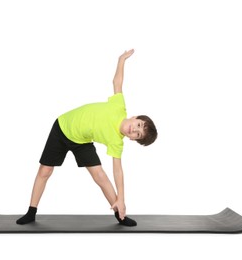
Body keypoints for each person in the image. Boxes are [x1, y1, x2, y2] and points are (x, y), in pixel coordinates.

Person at [15, 49, 157, 227]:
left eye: (137, 134)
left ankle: (119, 214)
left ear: (132, 139)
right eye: (138, 125)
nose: (134, 130)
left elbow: (118, 172)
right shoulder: (119, 106)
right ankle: (31, 212)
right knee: (45, 171)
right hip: (62, 127)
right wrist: (121, 60)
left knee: (100, 176)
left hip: (81, 141)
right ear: (135, 117)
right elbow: (117, 82)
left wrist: (122, 199)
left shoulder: (117, 142)